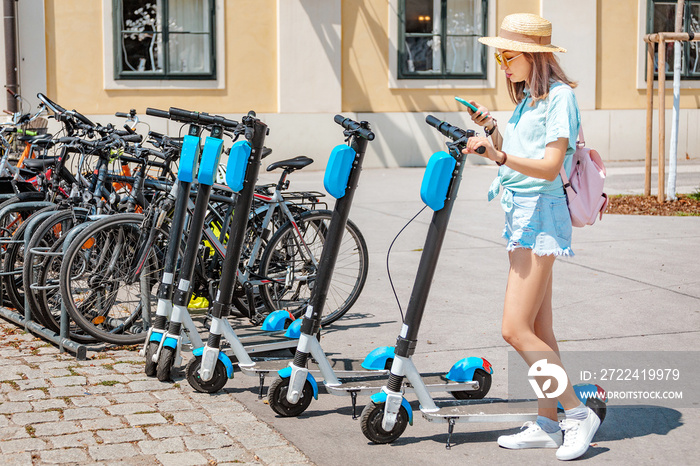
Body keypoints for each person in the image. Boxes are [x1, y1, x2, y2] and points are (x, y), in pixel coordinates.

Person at [462, 13, 601, 461]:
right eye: (500, 55)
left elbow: (548, 167)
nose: (502, 64)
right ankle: (546, 424)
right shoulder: (530, 99)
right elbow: (521, 150)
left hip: (541, 217)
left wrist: (498, 155)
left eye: (509, 55)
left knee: (514, 329)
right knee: (540, 328)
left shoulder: (560, 98)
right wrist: (493, 129)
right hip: (521, 215)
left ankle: (578, 414)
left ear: (535, 56)